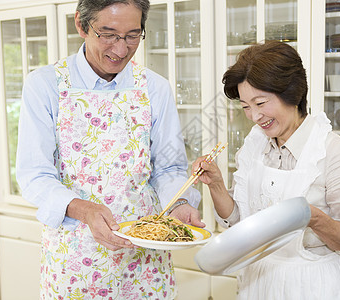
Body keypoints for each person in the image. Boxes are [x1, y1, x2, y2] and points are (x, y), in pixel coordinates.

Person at [16, 0, 204, 298]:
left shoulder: (155, 88)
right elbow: (33, 175)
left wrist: (178, 205)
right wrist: (84, 209)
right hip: (75, 256)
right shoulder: (46, 85)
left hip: (144, 256)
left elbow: (168, 168)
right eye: (108, 34)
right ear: (81, 24)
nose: (120, 49)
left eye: (132, 36)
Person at [192, 41, 340, 299]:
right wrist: (216, 184)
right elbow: (241, 223)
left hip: (314, 287)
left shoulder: (334, 153)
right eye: (245, 106)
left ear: (292, 92)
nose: (253, 116)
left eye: (261, 103)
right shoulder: (254, 147)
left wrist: (313, 217)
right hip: (258, 283)